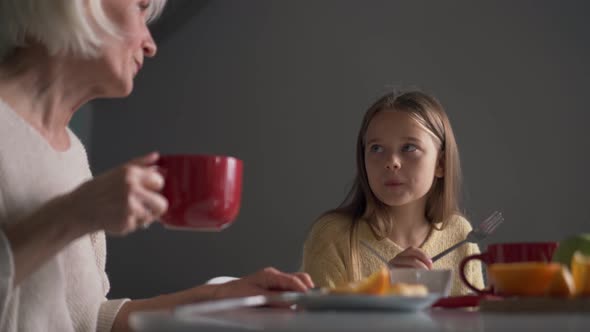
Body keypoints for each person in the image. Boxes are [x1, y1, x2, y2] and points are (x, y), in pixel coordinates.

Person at [0, 0, 313, 331]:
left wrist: (220, 300)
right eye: (140, 7)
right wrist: (74, 214)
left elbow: (91, 320)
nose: (150, 46)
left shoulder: (72, 154)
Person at [301, 90, 484, 295]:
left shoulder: (460, 234)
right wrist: (383, 289)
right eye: (377, 148)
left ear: (440, 163)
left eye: (409, 147)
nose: (391, 162)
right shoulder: (333, 236)